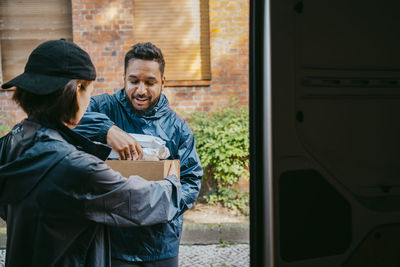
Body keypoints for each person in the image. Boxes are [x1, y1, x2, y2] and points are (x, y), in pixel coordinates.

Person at [0, 40, 182, 267]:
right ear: (77, 90)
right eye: (89, 91)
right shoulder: (76, 167)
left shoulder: (15, 141)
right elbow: (141, 200)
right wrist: (173, 182)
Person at [74, 42, 203, 266]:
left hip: (161, 245)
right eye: (133, 81)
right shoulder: (104, 108)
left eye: (150, 82)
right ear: (124, 78)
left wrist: (157, 204)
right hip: (113, 242)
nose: (141, 90)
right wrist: (106, 129)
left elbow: (192, 179)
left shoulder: (178, 128)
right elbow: (65, 116)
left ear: (163, 82)